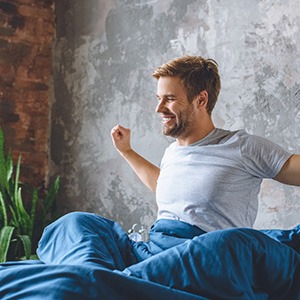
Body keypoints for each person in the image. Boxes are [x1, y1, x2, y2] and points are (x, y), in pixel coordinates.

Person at [35, 55, 300, 299]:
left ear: (201, 100)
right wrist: (127, 152)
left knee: (228, 243)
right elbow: (164, 187)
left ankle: (101, 285)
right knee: (75, 223)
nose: (159, 108)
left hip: (199, 254)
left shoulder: (242, 146)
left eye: (169, 99)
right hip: (150, 251)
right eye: (158, 98)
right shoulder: (172, 152)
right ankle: (106, 282)